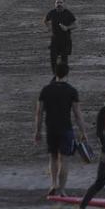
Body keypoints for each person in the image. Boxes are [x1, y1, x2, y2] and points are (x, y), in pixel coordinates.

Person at [34, 63, 88, 197]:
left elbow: (39, 112)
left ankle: (53, 184)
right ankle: (62, 189)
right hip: (66, 129)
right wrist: (83, 131)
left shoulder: (46, 90)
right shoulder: (71, 90)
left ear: (55, 73)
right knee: (64, 159)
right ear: (67, 74)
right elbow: (77, 113)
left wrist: (37, 131)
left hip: (51, 129)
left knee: (53, 157)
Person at [44, 0, 77, 73]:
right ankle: (55, 74)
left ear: (64, 4)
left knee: (64, 59)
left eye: (61, 2)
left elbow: (75, 25)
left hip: (65, 39)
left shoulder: (68, 13)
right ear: (55, 4)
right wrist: (49, 27)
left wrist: (67, 28)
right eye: (57, 2)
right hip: (54, 39)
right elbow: (45, 20)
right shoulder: (52, 12)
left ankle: (63, 75)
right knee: (53, 58)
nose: (59, 4)